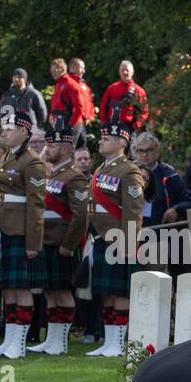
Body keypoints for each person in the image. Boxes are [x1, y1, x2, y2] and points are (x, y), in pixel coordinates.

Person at [0, 110, 47, 359]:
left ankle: (18, 344)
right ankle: (9, 340)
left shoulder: (32, 162)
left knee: (21, 289)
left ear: (24, 131)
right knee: (8, 288)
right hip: (4, 227)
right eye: (4, 129)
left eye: (9, 129)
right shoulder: (9, 158)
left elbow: (36, 204)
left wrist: (33, 242)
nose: (5, 134)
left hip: (21, 231)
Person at [30, 117, 89, 354]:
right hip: (48, 242)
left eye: (52, 145)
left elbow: (81, 215)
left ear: (65, 148)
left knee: (63, 293)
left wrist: (69, 244)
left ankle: (61, 342)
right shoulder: (52, 175)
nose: (48, 149)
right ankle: (52, 338)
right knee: (50, 293)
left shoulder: (74, 177)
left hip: (62, 245)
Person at [86, 119, 144, 357]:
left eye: (106, 138)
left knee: (120, 294)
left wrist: (129, 243)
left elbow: (133, 211)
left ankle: (119, 343)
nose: (101, 141)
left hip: (119, 241)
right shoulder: (101, 169)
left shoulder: (129, 171)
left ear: (121, 142)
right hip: (101, 238)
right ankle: (109, 342)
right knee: (106, 293)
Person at [49, 58, 93, 141]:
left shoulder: (70, 84)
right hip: (63, 122)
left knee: (69, 151)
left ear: (62, 69)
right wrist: (52, 115)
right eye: (52, 70)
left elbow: (80, 106)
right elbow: (57, 104)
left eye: (55, 70)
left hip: (72, 122)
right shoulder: (59, 84)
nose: (53, 73)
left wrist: (71, 125)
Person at [99, 60, 149, 132]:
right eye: (122, 70)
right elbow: (103, 107)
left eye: (127, 70)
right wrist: (104, 123)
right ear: (119, 72)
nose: (125, 72)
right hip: (111, 127)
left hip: (129, 128)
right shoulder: (111, 88)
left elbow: (144, 112)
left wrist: (134, 127)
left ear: (132, 72)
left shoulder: (139, 91)